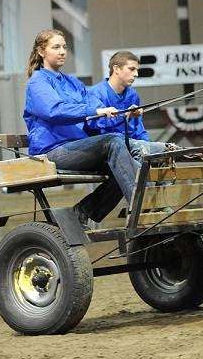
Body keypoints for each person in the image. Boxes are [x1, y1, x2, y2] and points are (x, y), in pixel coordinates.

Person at [23, 29, 138, 227]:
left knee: (128, 161)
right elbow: (53, 110)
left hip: (77, 149)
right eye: (56, 47)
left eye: (64, 47)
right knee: (113, 143)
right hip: (51, 152)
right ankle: (143, 208)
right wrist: (94, 110)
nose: (62, 51)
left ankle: (82, 212)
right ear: (41, 52)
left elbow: (95, 113)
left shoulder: (73, 82)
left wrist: (123, 114)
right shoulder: (38, 81)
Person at [86, 50, 173, 157]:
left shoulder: (132, 95)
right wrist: (125, 115)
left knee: (164, 149)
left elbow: (138, 129)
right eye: (131, 69)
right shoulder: (95, 93)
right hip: (106, 149)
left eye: (137, 70)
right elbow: (94, 124)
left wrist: (149, 147)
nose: (136, 74)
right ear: (116, 69)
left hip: (130, 147)